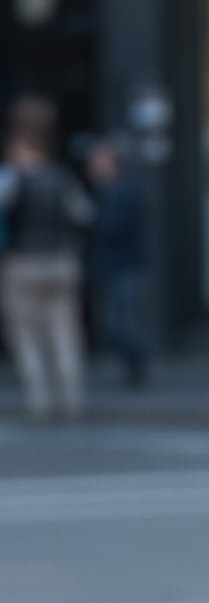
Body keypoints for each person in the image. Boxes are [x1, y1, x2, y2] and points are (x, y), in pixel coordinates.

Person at [0, 97, 94, 420]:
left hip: (23, 261)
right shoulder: (61, 177)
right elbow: (84, 214)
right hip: (63, 261)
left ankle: (40, 402)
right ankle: (72, 400)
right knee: (65, 331)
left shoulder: (12, 177)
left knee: (27, 334)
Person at [86, 136, 149, 386]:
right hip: (112, 266)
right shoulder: (103, 192)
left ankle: (137, 369)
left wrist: (91, 220)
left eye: (97, 160)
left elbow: (115, 227)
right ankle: (132, 370)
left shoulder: (124, 192)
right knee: (115, 322)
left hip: (125, 265)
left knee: (124, 322)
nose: (91, 166)